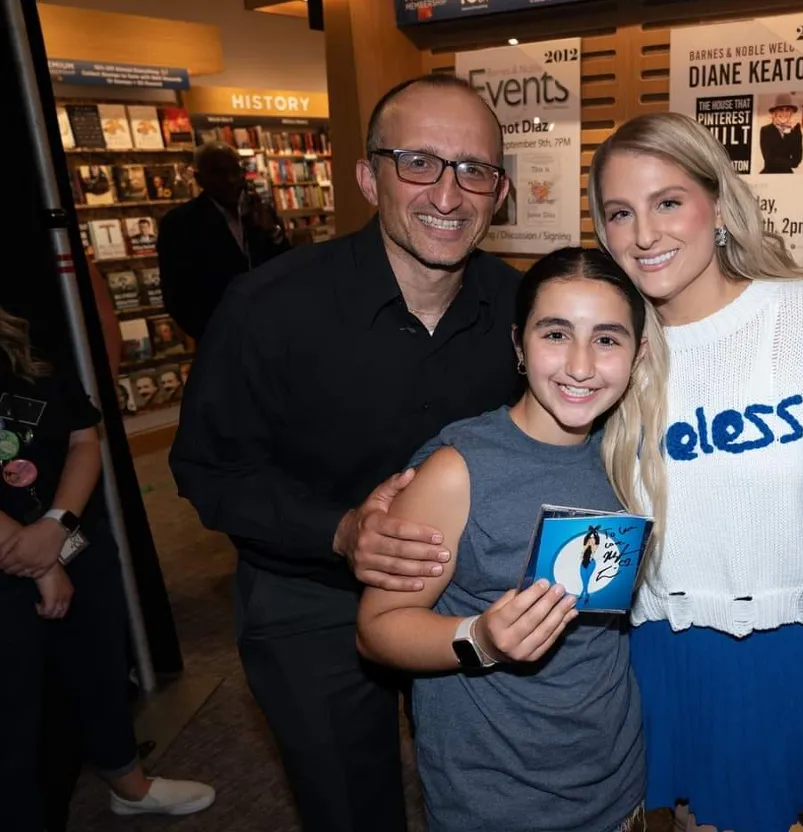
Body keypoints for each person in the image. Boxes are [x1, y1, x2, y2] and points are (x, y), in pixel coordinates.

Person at [169, 75, 522, 832]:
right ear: (369, 177)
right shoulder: (268, 307)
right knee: (348, 806)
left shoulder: (522, 311)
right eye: (419, 163)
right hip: (309, 601)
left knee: (487, 792)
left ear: (498, 191)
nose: (448, 195)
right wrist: (338, 531)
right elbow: (207, 469)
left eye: (474, 170)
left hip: (469, 592)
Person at [585, 111, 803, 832]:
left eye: (668, 202)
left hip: (791, 649)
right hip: (658, 647)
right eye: (620, 214)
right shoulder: (609, 347)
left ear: (717, 205)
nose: (644, 234)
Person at [356, 247, 667, 832]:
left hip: (617, 778)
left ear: (637, 355)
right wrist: (480, 638)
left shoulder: (629, 457)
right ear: (519, 346)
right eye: (556, 334)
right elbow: (377, 629)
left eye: (607, 339)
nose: (580, 365)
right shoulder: (458, 469)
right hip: (499, 797)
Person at [0, 306, 214, 830]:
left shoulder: (29, 339)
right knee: (12, 714)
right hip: (11, 561)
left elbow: (82, 437)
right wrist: (36, 560)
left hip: (71, 538)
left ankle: (129, 786)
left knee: (99, 665)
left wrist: (55, 526)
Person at [156, 141, 291, 342]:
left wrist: (273, 231)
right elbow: (176, 295)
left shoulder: (260, 212)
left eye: (236, 171)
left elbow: (286, 267)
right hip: (221, 338)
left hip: (271, 332)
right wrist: (212, 335)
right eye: (218, 173)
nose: (230, 180)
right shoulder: (180, 223)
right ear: (200, 179)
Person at [759, 93, 803, 174]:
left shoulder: (795, 131)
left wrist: (791, 133)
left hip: (787, 175)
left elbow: (796, 161)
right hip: (768, 174)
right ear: (774, 113)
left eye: (787, 110)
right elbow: (769, 160)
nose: (784, 113)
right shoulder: (765, 130)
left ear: (791, 113)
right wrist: (789, 162)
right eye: (781, 109)